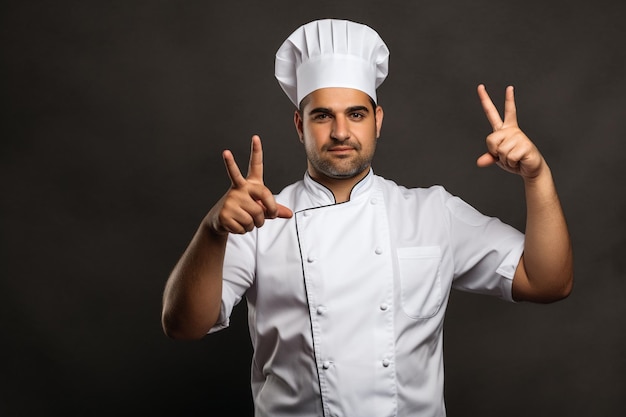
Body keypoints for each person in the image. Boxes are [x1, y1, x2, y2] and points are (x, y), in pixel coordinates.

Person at [161, 19, 573, 417]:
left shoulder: (433, 213)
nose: (341, 132)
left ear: (377, 121)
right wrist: (212, 229)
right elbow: (183, 326)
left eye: (356, 114)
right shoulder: (258, 218)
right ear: (298, 125)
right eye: (323, 116)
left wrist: (537, 177)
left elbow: (548, 282)